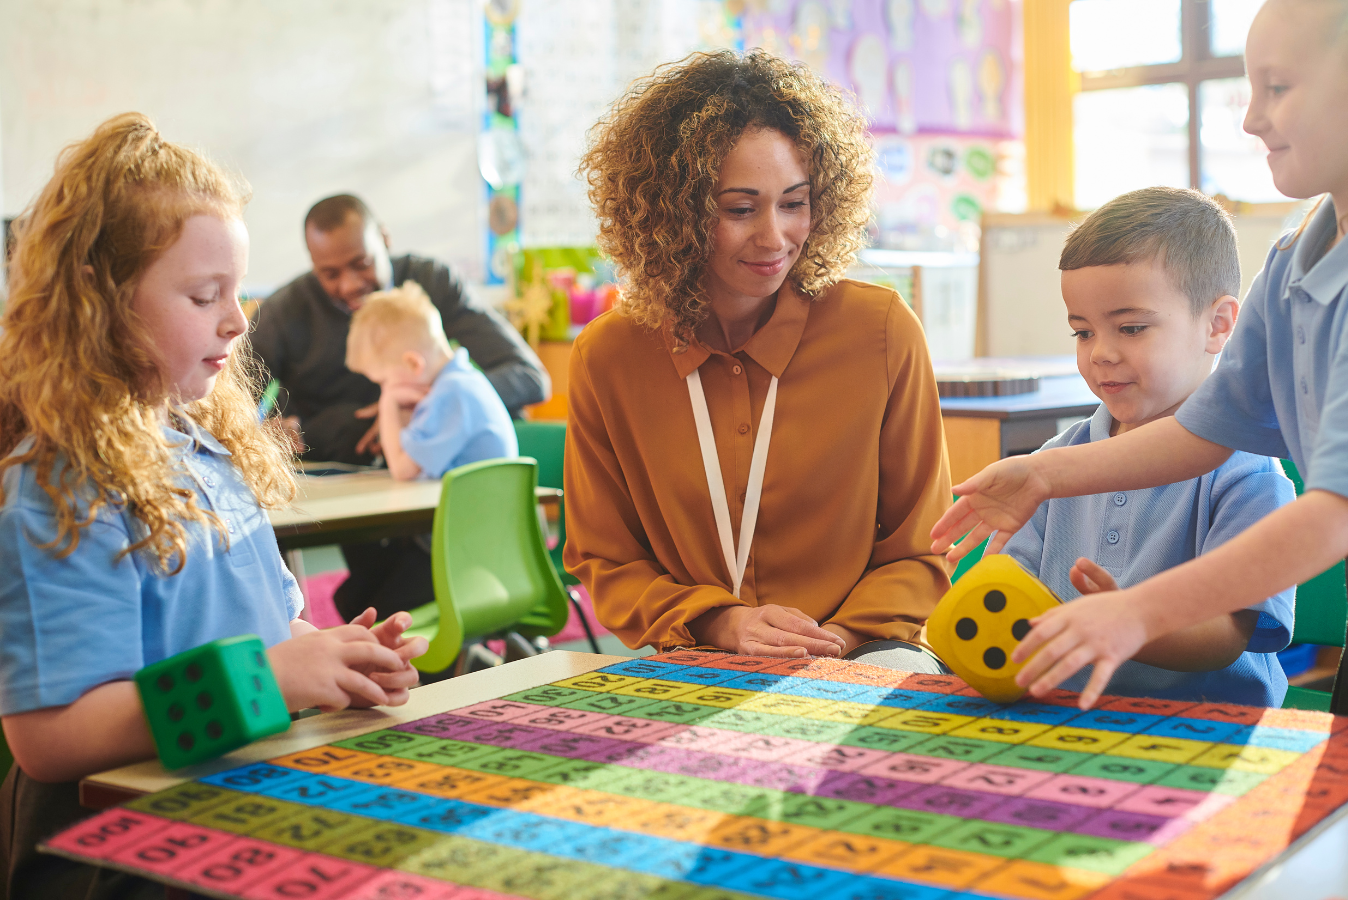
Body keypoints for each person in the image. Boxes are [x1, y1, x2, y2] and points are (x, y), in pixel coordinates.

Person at [0, 113, 427, 899]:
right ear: (99, 300)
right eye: (205, 295)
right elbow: (51, 740)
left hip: (227, 800)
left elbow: (262, 631)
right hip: (113, 849)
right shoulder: (58, 483)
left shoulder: (206, 446)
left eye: (238, 290)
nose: (238, 320)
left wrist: (328, 656)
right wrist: (272, 677)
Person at [931, 0, 1348, 711]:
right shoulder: (1291, 261)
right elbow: (1201, 434)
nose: (1251, 118)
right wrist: (1043, 473)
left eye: (1277, 88)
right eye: (1250, 90)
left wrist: (1138, 614)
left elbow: (1333, 512)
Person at [566, 51, 953, 668]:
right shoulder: (608, 356)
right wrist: (721, 622)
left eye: (794, 203)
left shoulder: (880, 332)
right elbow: (606, 558)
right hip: (693, 648)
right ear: (676, 215)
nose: (775, 238)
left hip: (866, 650)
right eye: (739, 209)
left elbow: (922, 547)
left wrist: (838, 642)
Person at [999, 187, 1295, 706]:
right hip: (1069, 717)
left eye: (1131, 328)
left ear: (1218, 324)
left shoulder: (1247, 474)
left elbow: (1227, 636)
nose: (1102, 354)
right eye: (1083, 332)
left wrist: (1131, 620)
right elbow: (1011, 595)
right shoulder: (1054, 463)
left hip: (1211, 730)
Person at [251, 194, 547, 618]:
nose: (349, 284)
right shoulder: (285, 313)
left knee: (396, 604)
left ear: (384, 240)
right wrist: (288, 431)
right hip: (346, 489)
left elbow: (529, 376)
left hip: (442, 486)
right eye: (329, 274)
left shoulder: (427, 284)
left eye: (361, 263)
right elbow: (228, 404)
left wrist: (440, 402)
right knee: (365, 601)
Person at [342, 282, 518, 617]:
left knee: (371, 602)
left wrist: (389, 403)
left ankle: (441, 667)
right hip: (472, 541)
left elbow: (402, 470)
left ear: (412, 364)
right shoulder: (461, 381)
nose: (383, 389)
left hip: (472, 557)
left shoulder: (451, 394)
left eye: (382, 381)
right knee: (359, 591)